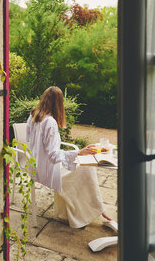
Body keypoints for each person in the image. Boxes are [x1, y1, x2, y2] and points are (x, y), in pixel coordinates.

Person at [26, 86, 112, 228]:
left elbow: (31, 142)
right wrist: (78, 152)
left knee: (83, 168)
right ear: (59, 103)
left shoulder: (33, 115)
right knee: (86, 169)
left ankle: (81, 211)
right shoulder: (50, 122)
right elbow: (53, 156)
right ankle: (89, 212)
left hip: (35, 165)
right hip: (47, 170)